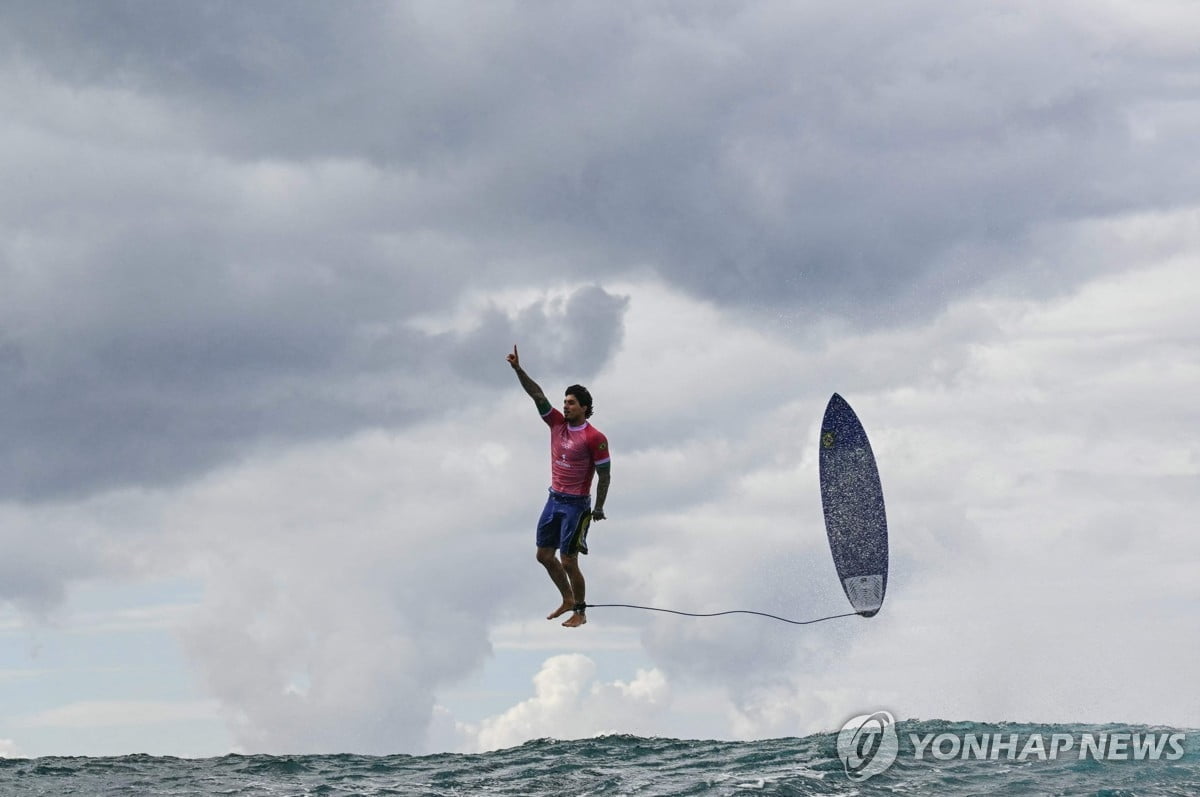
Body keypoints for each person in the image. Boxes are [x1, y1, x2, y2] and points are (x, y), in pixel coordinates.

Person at [506, 344, 610, 628]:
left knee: (568, 560)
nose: (565, 406)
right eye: (565, 402)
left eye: (571, 403)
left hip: (577, 505)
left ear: (585, 408)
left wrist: (598, 507)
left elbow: (605, 474)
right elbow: (537, 394)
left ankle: (580, 611)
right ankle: (566, 598)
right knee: (543, 556)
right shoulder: (556, 424)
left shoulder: (594, 437)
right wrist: (518, 369)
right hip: (554, 499)